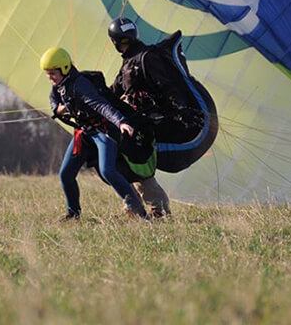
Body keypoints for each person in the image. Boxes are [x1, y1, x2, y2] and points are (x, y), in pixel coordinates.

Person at [107, 17, 219, 213]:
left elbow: (171, 87)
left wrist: (182, 111)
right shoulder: (127, 65)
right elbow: (112, 94)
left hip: (181, 128)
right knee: (121, 150)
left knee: (133, 152)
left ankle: (154, 208)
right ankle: (137, 206)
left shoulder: (148, 58)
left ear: (114, 42)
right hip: (154, 123)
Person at [40, 46, 149, 220]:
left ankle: (139, 212)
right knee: (66, 174)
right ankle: (73, 213)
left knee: (108, 171)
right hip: (84, 134)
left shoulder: (80, 85)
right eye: (47, 74)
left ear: (65, 69)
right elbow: (53, 99)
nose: (49, 78)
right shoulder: (59, 85)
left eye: (52, 73)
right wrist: (58, 109)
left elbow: (101, 106)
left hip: (103, 132)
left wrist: (121, 121)